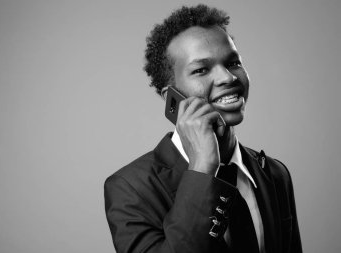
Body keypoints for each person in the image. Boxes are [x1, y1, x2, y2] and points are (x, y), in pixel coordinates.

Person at [104, 4, 302, 253]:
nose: (228, 78)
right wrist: (202, 169)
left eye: (233, 63)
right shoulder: (130, 188)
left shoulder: (274, 174)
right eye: (201, 70)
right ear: (172, 97)